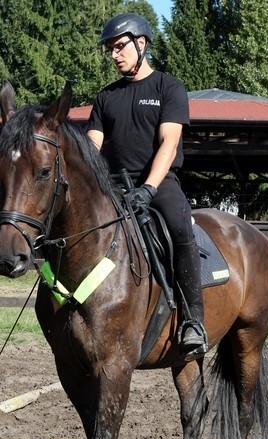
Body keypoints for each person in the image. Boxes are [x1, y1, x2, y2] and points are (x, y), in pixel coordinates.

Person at [87, 12, 207, 358]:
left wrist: (149, 188)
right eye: (110, 49)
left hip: (157, 185)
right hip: (113, 186)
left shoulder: (169, 88)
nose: (114, 54)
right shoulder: (106, 97)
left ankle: (193, 322)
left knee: (179, 226)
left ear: (141, 43)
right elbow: (92, 146)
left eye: (120, 46)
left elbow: (169, 145)